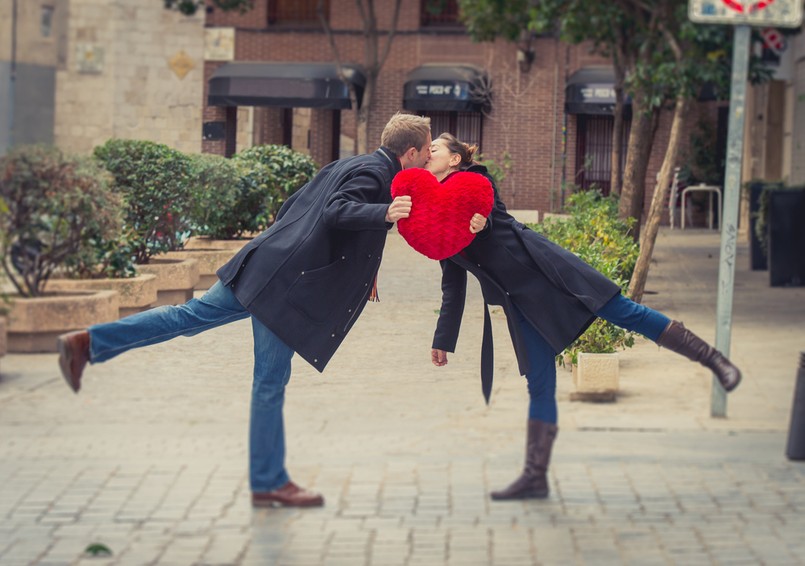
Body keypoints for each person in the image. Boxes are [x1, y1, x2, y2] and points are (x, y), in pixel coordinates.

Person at [56, 112, 433, 509]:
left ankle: (87, 342)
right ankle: (269, 481)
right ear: (409, 152)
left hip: (265, 267)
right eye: (426, 152)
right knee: (269, 383)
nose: (428, 159)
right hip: (282, 290)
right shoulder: (376, 177)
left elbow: (293, 206)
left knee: (187, 317)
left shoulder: (351, 162)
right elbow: (335, 211)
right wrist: (384, 212)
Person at [425, 133, 742, 501]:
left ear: (454, 160)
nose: (429, 152)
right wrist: (442, 340)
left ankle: (713, 359)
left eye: (435, 148)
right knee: (539, 383)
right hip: (522, 302)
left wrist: (482, 222)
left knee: (626, 312)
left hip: (551, 272)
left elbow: (491, 213)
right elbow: (453, 282)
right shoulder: (437, 221)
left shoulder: (477, 181)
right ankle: (535, 476)